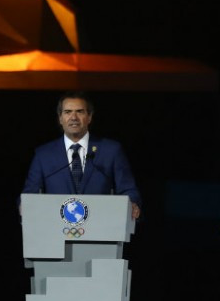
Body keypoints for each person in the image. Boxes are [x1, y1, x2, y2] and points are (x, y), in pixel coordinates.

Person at [21, 90, 141, 219]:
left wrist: (132, 203)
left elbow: (128, 190)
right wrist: (23, 205)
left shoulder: (111, 150)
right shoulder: (44, 154)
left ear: (89, 117)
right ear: (60, 118)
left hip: (101, 226)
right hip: (55, 231)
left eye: (80, 111)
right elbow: (30, 194)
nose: (74, 117)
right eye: (67, 112)